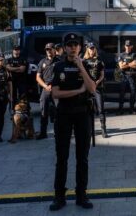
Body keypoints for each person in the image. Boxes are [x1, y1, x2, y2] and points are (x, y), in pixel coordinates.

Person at [49, 33, 96, 211]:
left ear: (80, 47)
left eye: (75, 45)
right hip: (64, 115)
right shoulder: (58, 66)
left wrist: (80, 67)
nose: (73, 47)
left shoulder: (86, 65)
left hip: (83, 114)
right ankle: (59, 197)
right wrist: (77, 91)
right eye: (69, 45)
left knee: (82, 158)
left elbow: (91, 89)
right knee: (62, 158)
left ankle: (81, 195)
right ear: (65, 47)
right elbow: (55, 93)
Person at [83, 42, 108, 138]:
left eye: (93, 48)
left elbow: (102, 74)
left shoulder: (99, 60)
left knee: (101, 109)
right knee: (87, 110)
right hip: (88, 88)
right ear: (87, 49)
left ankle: (103, 129)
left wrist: (97, 82)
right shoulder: (84, 61)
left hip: (98, 87)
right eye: (90, 48)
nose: (92, 50)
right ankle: (88, 129)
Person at [35, 43, 58, 140]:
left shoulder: (59, 61)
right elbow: (37, 77)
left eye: (50, 49)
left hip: (56, 89)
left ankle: (58, 132)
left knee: (58, 112)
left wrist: (53, 86)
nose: (48, 51)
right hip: (45, 89)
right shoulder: (42, 62)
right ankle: (43, 133)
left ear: (54, 50)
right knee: (43, 112)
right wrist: (45, 86)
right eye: (47, 49)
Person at [117, 40, 136, 114]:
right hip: (124, 76)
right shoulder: (121, 55)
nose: (128, 47)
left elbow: (135, 65)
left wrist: (125, 63)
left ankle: (131, 109)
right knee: (122, 93)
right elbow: (121, 66)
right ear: (125, 46)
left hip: (132, 76)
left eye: (129, 46)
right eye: (127, 46)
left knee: (133, 93)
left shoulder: (134, 55)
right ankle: (120, 110)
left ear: (131, 47)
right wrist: (130, 63)